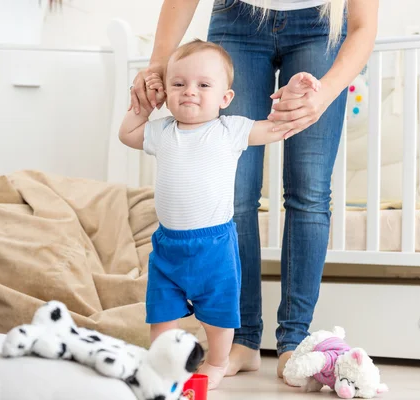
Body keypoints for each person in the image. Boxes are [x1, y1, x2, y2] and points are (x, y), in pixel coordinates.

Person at [129, 0, 378, 382]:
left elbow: (363, 24)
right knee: (238, 193)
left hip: (320, 26)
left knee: (309, 191)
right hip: (237, 17)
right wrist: (158, 65)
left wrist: (324, 94)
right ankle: (242, 341)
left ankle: (294, 339)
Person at [119, 38, 322, 389]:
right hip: (168, 246)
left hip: (213, 244)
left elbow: (276, 129)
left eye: (203, 85)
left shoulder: (231, 130)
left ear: (225, 98)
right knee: (162, 312)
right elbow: (127, 134)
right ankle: (163, 361)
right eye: (178, 84)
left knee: (219, 312)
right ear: (166, 92)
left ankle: (217, 360)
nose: (189, 92)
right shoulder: (162, 131)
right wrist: (144, 106)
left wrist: (294, 96)